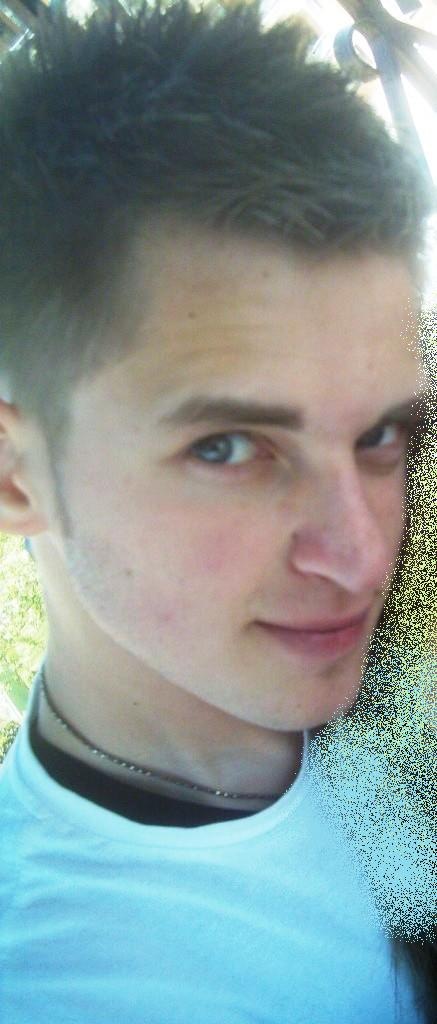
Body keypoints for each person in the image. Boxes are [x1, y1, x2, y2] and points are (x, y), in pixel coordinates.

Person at [0, 1, 434, 1021]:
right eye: (228, 448)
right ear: (16, 474)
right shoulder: (77, 982)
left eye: (382, 433)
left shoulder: (394, 659)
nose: (362, 556)